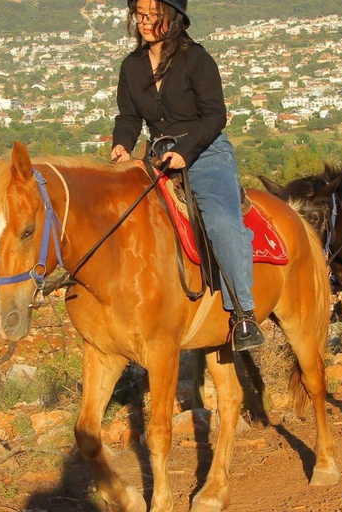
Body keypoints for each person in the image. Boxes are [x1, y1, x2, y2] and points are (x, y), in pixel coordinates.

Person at [110, 0, 265, 350]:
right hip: (158, 155)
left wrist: (186, 150)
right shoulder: (131, 66)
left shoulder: (197, 59)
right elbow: (129, 116)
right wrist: (122, 145)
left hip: (205, 150)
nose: (145, 22)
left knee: (222, 222)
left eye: (153, 15)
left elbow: (215, 116)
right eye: (140, 15)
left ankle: (244, 314)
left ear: (173, 17)